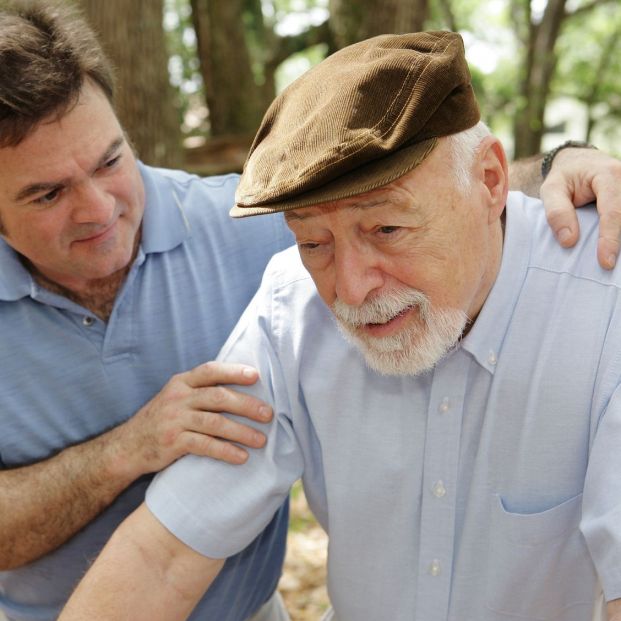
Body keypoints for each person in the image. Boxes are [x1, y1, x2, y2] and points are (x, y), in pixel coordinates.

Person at [59, 32, 621, 621]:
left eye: (387, 231)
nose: (351, 291)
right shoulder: (291, 306)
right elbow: (163, 556)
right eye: (314, 243)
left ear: (489, 181)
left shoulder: (603, 304)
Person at [0, 2, 294, 620]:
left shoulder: (246, 227)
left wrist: (556, 165)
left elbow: (444, 204)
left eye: (110, 161)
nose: (98, 210)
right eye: (48, 193)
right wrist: (126, 450)